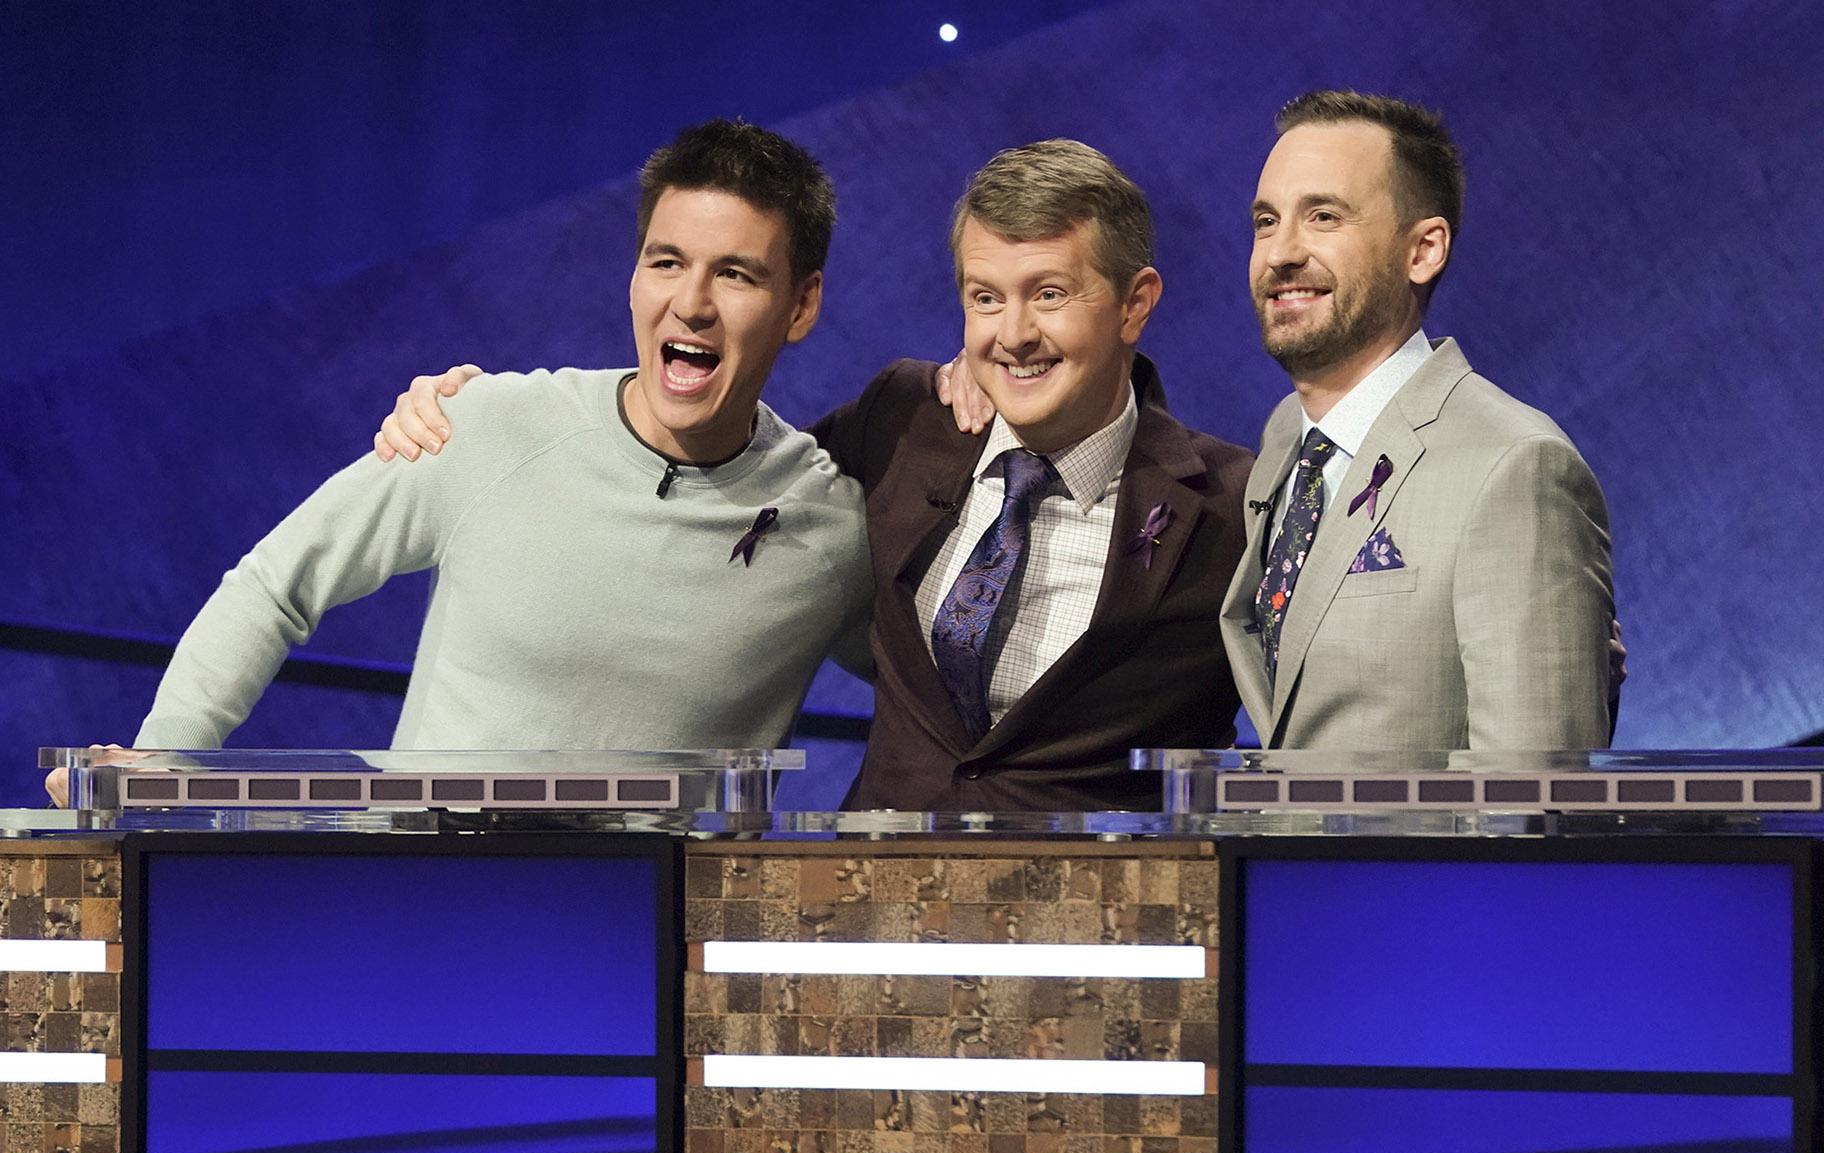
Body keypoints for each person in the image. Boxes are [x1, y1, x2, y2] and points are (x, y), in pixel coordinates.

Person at [378, 141, 1256, 811]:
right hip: (863, 933)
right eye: (985, 297)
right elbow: (721, 477)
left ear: (1136, 301)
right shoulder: (907, 421)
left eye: (1049, 294)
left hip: (1116, 960)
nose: (1012, 332)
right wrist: (484, 415)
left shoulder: (1231, 507)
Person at [73, 120, 871, 768]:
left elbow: (954, 700)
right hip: (421, 918)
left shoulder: (828, 525)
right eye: (667, 262)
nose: (690, 303)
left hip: (647, 948)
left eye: (735, 274)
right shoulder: (485, 424)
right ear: (634, 277)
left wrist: (982, 385)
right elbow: (276, 584)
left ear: (801, 306)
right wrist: (166, 755)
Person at [1220, 91, 1615, 751]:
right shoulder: (1285, 442)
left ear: (1424, 249)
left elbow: (1533, 795)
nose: (1280, 252)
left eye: (1323, 216)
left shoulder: (1515, 467)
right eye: (1266, 221)